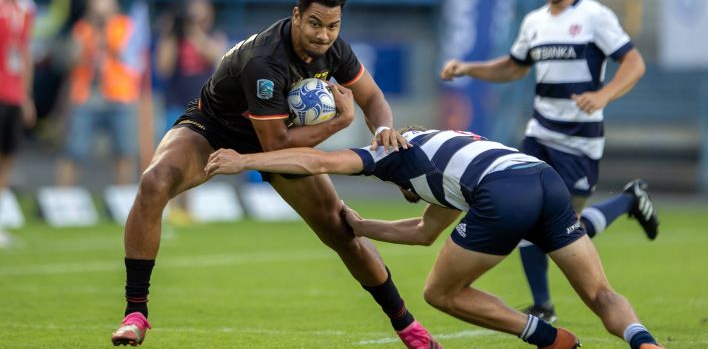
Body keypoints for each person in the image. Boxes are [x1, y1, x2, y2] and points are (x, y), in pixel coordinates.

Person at [110, 0, 439, 348]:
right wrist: (340, 122)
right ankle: (135, 313)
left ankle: (408, 327)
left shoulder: (336, 50)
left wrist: (381, 128)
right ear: (297, 16)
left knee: (342, 231)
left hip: (277, 133)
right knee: (154, 182)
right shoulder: (265, 60)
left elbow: (373, 97)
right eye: (315, 24)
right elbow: (276, 143)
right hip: (215, 128)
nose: (323, 35)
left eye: (333, 26)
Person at [204, 126, 664, 349]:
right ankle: (644, 342)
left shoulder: (390, 152)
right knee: (599, 291)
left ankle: (546, 337)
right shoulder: (443, 159)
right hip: (541, 179)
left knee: (439, 292)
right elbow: (425, 232)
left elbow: (317, 162)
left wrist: (245, 160)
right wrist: (363, 228)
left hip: (502, 191)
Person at [440, 0, 658, 323]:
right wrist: (469, 68)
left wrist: (604, 95)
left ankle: (627, 201)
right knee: (527, 213)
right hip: (539, 133)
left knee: (567, 227)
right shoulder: (534, 21)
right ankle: (543, 305)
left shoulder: (595, 16)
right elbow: (513, 67)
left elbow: (634, 63)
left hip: (580, 141)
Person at [56, 0, 140, 186]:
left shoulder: (126, 26)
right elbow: (72, 61)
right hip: (87, 95)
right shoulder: (82, 28)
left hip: (121, 95)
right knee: (73, 151)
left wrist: (105, 35)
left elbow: (130, 57)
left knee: (124, 151)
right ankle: (62, 198)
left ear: (114, 7)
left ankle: (123, 200)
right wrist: (89, 37)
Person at [154, 0, 227, 223]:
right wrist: (169, 35)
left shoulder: (214, 35)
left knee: (197, 158)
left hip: (203, 106)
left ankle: (188, 208)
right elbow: (163, 69)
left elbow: (217, 59)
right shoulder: (174, 38)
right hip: (176, 104)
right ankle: (174, 207)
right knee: (173, 158)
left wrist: (194, 32)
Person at [0, 0, 35, 248]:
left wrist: (26, 96)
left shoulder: (27, 9)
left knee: (7, 157)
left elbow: (24, 54)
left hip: (12, 94)